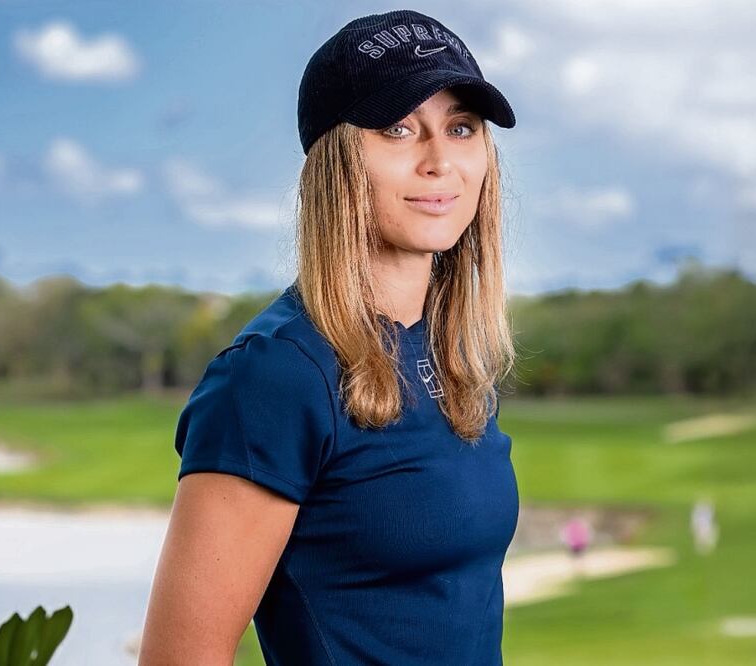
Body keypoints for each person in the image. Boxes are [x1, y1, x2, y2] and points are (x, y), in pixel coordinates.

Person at [139, 9, 519, 665]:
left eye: (460, 128)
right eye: (398, 129)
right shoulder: (275, 376)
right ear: (336, 163)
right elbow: (180, 656)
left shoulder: (448, 352)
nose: (438, 162)